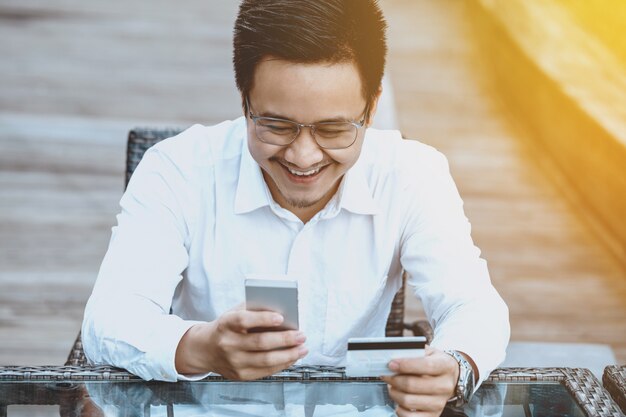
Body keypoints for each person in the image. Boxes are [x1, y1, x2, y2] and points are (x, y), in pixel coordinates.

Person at [82, 0, 510, 415]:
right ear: (244, 101)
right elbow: (111, 319)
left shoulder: (413, 174)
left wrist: (455, 365)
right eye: (276, 125)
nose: (303, 157)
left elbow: (473, 307)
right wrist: (201, 347)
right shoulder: (177, 169)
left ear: (372, 106)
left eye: (333, 129)